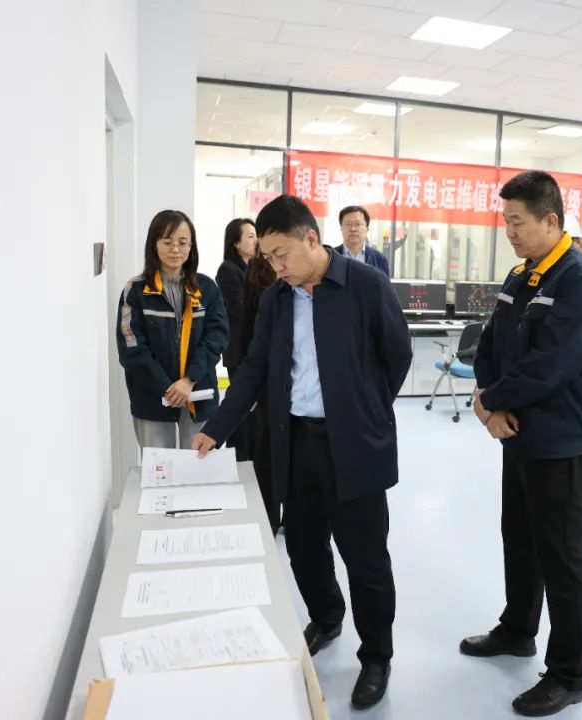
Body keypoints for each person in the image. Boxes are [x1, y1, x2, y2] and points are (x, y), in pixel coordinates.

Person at [191, 195, 412, 709]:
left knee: (366, 558)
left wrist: (366, 411)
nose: (275, 266)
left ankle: (376, 656)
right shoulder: (278, 299)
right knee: (304, 548)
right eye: (267, 256)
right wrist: (217, 427)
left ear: (311, 239)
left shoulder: (366, 286)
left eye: (280, 254)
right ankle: (327, 616)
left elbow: (397, 355)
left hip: (354, 446)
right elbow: (255, 368)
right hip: (296, 441)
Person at [462, 170, 582, 717]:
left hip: (560, 439)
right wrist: (488, 398)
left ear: (551, 221)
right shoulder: (522, 274)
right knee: (520, 539)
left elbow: (553, 364)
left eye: (517, 222)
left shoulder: (580, 279)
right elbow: (490, 343)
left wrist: (492, 402)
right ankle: (518, 628)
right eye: (506, 222)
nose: (510, 232)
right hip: (517, 433)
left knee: (561, 556)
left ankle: (570, 673)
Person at [115, 210, 228, 449]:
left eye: (182, 242)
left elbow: (216, 338)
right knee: (159, 468)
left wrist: (189, 380)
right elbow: (132, 348)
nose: (175, 249)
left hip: (199, 395)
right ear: (153, 245)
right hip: (153, 398)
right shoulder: (135, 291)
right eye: (167, 242)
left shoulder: (207, 288)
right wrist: (167, 387)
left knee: (199, 464)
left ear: (191, 247)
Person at [240, 254, 280, 534]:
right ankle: (269, 521)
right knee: (266, 456)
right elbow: (247, 329)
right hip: (266, 380)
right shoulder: (256, 272)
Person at [215, 217, 258, 460]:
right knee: (240, 404)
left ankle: (249, 455)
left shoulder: (255, 267)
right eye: (250, 236)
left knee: (252, 409)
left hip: (253, 347)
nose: (256, 240)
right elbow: (239, 310)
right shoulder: (228, 270)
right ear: (236, 243)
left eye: (256, 235)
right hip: (240, 350)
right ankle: (237, 456)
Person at [335, 205, 390, 275]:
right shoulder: (330, 258)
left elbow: (384, 282)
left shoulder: (380, 259)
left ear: (367, 229)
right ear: (341, 229)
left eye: (358, 224)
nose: (353, 229)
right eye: (348, 224)